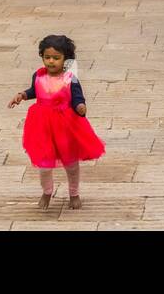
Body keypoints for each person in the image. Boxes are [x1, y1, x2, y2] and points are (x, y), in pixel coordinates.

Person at [8, 34, 105, 211]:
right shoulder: (38, 76)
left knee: (71, 163)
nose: (51, 61)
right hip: (42, 125)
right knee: (44, 163)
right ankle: (47, 191)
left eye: (56, 58)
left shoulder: (70, 79)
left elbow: (77, 98)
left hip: (65, 125)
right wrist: (22, 95)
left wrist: (80, 106)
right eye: (47, 57)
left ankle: (74, 193)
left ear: (65, 59)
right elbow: (35, 91)